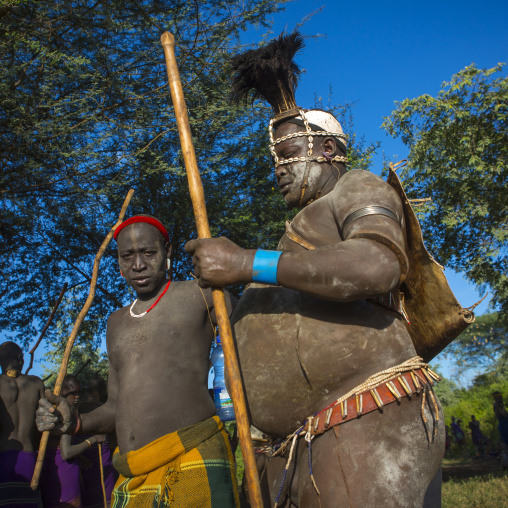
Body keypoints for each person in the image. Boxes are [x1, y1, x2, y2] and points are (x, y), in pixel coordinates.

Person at [185, 32, 445, 507]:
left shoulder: (357, 188)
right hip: (303, 440)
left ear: (327, 150)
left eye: (287, 156)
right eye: (274, 160)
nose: (278, 169)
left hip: (363, 413)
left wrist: (246, 263)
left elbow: (376, 264)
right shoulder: (301, 228)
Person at [36, 216, 239, 507]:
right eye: (127, 256)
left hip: (193, 455)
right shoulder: (116, 322)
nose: (138, 265)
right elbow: (114, 407)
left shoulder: (200, 294)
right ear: (118, 262)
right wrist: (76, 422)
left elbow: (251, 343)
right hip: (132, 473)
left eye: (148, 253)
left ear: (167, 251)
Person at [40, 375, 105, 507]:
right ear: (63, 392)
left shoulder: (56, 409)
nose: (77, 397)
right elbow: (67, 452)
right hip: (65, 471)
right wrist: (92, 440)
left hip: (53, 469)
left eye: (79, 393)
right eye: (72, 394)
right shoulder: (65, 412)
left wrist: (79, 456)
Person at [0, 341, 44, 508]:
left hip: (3, 459)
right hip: (30, 457)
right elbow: (43, 424)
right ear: (20, 358)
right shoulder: (36, 383)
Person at [78, 375, 118, 508]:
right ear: (102, 392)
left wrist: (79, 455)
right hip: (103, 461)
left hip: (83, 461)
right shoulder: (105, 410)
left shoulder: (78, 409)